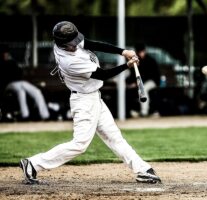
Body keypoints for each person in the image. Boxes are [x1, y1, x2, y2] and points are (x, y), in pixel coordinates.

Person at [19, 21, 161, 184]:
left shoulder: (66, 42)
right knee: (80, 144)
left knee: (114, 137)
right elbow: (103, 75)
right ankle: (33, 164)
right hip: (84, 101)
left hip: (94, 97)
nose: (76, 45)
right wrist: (127, 65)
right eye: (72, 43)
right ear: (62, 44)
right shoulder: (70, 61)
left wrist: (123, 51)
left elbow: (92, 44)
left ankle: (143, 170)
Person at [0, 44, 50, 121]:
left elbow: (19, 73)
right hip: (8, 85)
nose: (6, 55)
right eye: (4, 53)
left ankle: (44, 115)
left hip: (19, 83)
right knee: (21, 87)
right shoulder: (3, 63)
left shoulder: (12, 62)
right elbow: (7, 77)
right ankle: (25, 115)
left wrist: (11, 64)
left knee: (33, 91)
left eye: (7, 53)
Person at [127, 43, 160, 117]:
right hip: (141, 82)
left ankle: (144, 112)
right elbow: (133, 74)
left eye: (142, 51)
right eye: (139, 52)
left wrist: (136, 83)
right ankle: (135, 110)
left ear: (144, 51)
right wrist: (132, 83)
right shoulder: (137, 61)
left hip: (153, 81)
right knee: (135, 88)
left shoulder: (150, 60)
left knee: (143, 88)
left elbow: (151, 76)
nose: (141, 53)